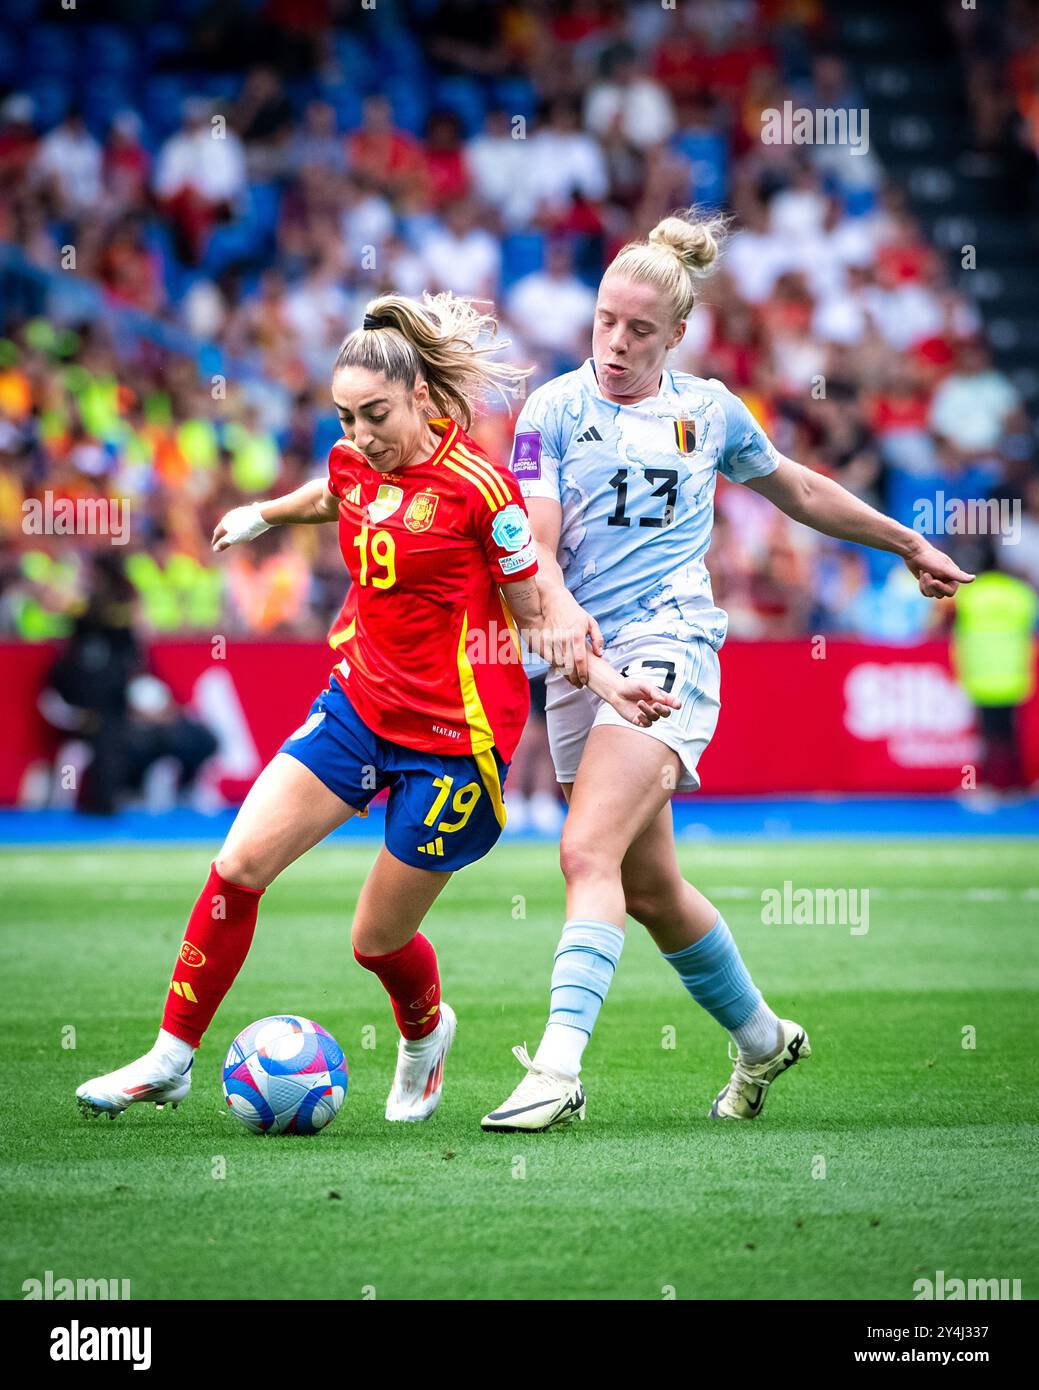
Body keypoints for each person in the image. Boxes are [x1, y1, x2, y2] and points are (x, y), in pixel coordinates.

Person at [76, 292, 675, 1124]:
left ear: (423, 400)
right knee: (237, 868)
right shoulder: (355, 461)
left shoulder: (482, 491)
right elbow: (332, 494)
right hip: (357, 707)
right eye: (344, 416)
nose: (358, 436)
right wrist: (261, 514)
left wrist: (608, 685)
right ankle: (171, 1058)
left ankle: (426, 1037)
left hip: (454, 747)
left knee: (375, 942)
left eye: (375, 415)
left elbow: (535, 614)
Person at [482, 209, 974, 1133]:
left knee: (583, 851)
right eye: (604, 321)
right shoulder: (551, 409)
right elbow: (533, 542)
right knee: (648, 888)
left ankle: (558, 1067)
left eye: (639, 329)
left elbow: (796, 487)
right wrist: (558, 617)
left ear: (677, 334)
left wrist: (905, 540)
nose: (617, 343)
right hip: (580, 660)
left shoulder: (707, 411)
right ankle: (761, 1039)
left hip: (671, 644)